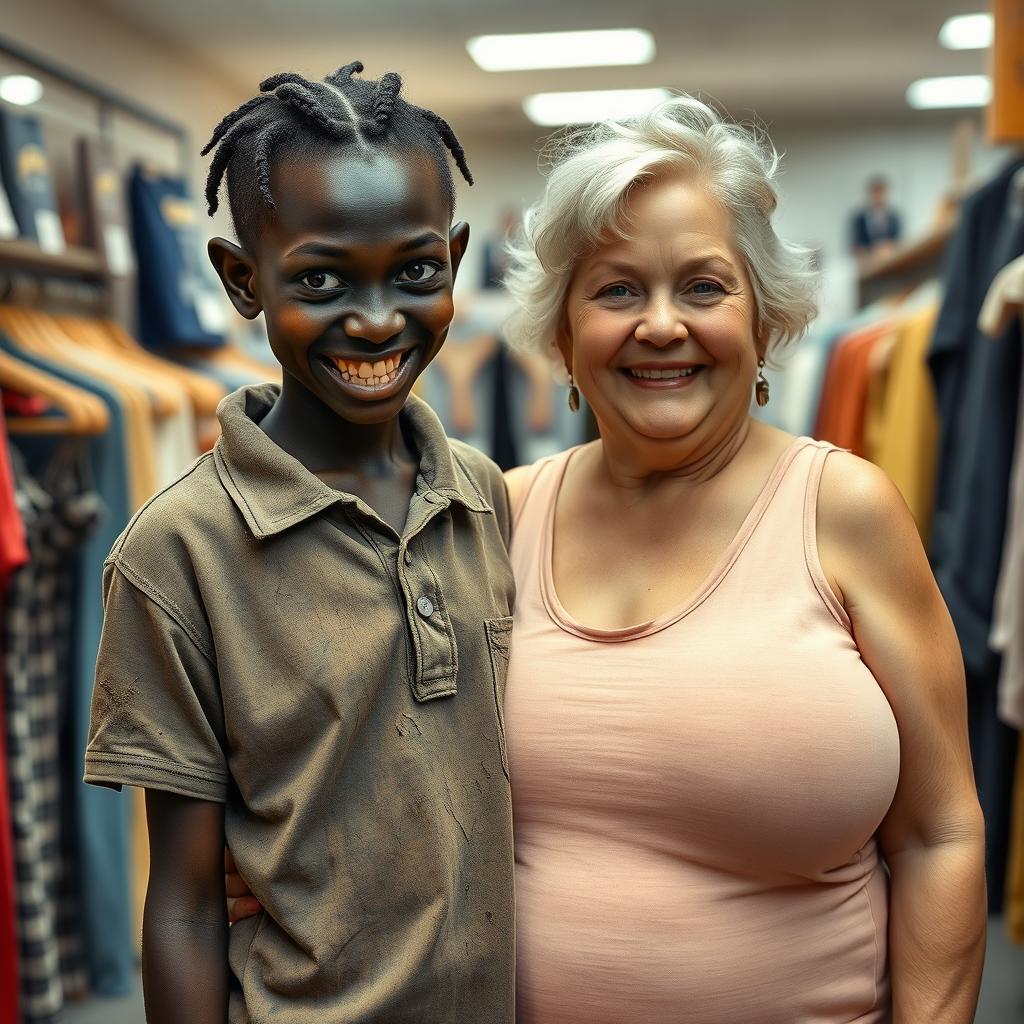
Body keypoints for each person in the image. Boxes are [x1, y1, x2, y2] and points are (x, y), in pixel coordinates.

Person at [228, 95, 987, 1023]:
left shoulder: (844, 512)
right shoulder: (492, 515)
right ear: (563, 338)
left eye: (703, 287)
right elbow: (381, 770)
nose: (660, 325)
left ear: (764, 321)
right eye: (617, 290)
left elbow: (941, 834)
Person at [83, 63, 516, 1024]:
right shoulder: (180, 552)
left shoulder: (481, 496)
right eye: (319, 280)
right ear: (243, 280)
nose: (374, 318)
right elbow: (188, 905)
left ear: (455, 259)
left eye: (416, 272)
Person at [851, 175, 902, 257]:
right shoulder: (859, 219)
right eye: (876, 193)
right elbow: (855, 246)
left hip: (890, 260)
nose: (879, 197)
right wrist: (873, 250)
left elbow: (898, 243)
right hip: (868, 262)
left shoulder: (894, 218)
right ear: (871, 194)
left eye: (882, 193)